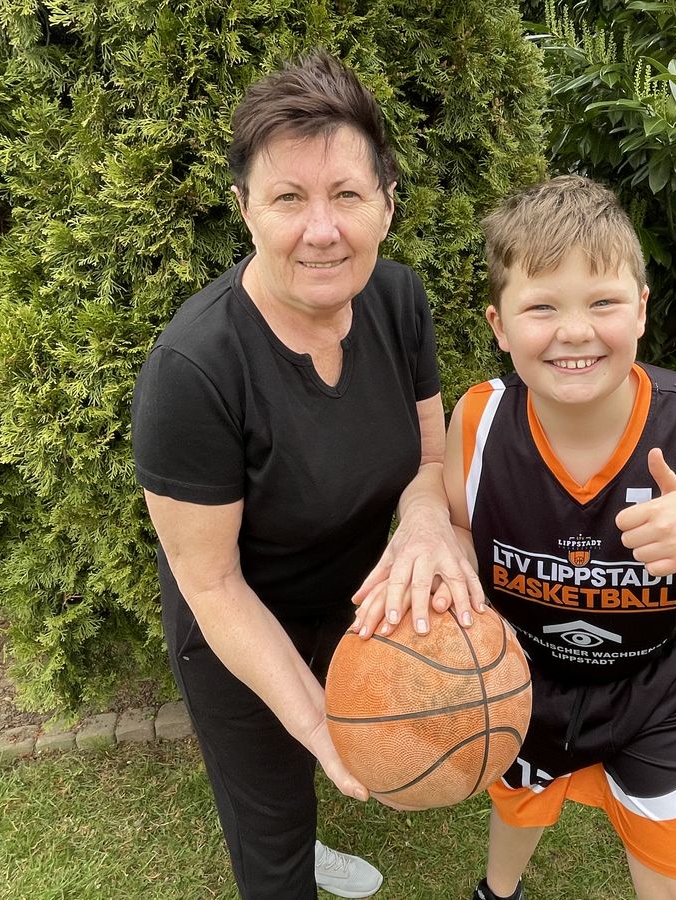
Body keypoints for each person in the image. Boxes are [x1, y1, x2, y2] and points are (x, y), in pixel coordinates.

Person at [359, 175, 676, 899]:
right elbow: (455, 519)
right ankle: (498, 892)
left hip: (651, 688)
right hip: (522, 676)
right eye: (541, 307)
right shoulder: (479, 420)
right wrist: (430, 534)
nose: (574, 330)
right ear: (499, 327)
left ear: (640, 312)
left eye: (602, 302)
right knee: (519, 800)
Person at [131, 50, 482, 900]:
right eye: (289, 198)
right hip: (239, 616)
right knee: (274, 836)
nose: (321, 230)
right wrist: (315, 720)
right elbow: (211, 585)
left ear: (388, 206)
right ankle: (292, 846)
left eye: (347, 196)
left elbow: (428, 460)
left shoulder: (400, 301)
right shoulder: (194, 372)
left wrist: (430, 523)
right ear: (245, 209)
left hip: (356, 601)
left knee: (329, 763)